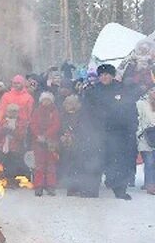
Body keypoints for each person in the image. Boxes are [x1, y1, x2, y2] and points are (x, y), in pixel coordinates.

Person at [82, 64, 137, 200]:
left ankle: (119, 190)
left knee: (117, 163)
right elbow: (86, 112)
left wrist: (131, 128)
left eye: (107, 74)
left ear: (112, 75)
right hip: (98, 133)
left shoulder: (122, 90)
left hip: (118, 133)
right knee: (95, 161)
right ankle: (91, 189)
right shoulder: (93, 91)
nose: (104, 77)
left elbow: (130, 110)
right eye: (101, 75)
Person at [59, 95, 93, 196]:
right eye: (67, 103)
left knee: (80, 166)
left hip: (80, 143)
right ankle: (71, 187)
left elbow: (85, 128)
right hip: (67, 144)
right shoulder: (63, 115)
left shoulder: (82, 115)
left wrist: (74, 135)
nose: (69, 106)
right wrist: (63, 136)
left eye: (71, 103)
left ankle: (80, 186)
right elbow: (60, 127)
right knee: (69, 166)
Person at [29, 92, 61, 196]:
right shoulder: (37, 111)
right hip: (38, 141)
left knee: (51, 164)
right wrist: (38, 135)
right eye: (44, 100)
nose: (46, 102)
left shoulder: (54, 111)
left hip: (51, 141)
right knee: (39, 165)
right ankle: (38, 186)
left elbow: (56, 125)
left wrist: (46, 135)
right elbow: (33, 124)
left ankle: (51, 186)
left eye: (48, 100)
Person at [136, 85, 155, 195]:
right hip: (146, 136)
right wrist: (140, 132)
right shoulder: (141, 104)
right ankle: (150, 185)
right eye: (152, 90)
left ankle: (150, 183)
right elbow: (137, 119)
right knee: (149, 162)